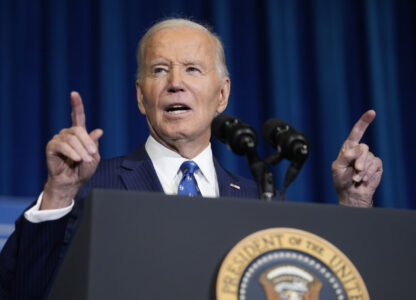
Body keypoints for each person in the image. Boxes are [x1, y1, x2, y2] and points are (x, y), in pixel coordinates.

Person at [0, 18, 382, 299]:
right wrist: (58, 194)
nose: (175, 82)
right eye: (160, 70)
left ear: (222, 95)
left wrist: (353, 207)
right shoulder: (91, 187)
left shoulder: (262, 199)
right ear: (140, 96)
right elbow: (23, 291)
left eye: (193, 69)